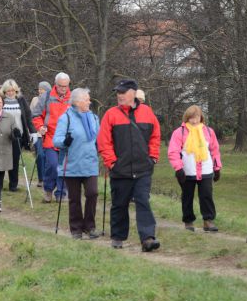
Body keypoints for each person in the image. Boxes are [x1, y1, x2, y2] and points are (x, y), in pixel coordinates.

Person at [97, 79, 161, 252]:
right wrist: (112, 163)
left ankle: (148, 238)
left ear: (133, 93)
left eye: (123, 92)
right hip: (120, 169)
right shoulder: (111, 114)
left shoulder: (147, 112)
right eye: (118, 92)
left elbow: (155, 136)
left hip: (143, 168)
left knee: (143, 201)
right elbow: (104, 141)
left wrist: (153, 157)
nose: (119, 95)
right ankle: (118, 237)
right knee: (119, 204)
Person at [53, 88, 100, 239]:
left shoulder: (93, 118)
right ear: (78, 102)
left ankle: (90, 226)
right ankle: (76, 229)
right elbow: (56, 140)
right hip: (71, 164)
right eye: (87, 99)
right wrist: (64, 141)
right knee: (74, 198)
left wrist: (103, 148)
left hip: (90, 163)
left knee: (92, 193)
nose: (89, 101)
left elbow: (98, 138)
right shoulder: (65, 118)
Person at [167, 105, 222, 232]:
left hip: (206, 170)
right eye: (191, 118)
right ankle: (188, 221)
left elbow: (215, 150)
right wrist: (178, 169)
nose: (194, 120)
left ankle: (208, 221)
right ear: (187, 118)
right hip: (187, 171)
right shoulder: (179, 132)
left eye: (196, 117)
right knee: (187, 197)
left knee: (206, 196)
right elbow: (173, 152)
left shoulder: (208, 131)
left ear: (200, 117)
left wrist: (217, 167)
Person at [32, 72, 72, 202]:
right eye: (61, 86)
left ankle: (61, 193)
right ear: (56, 84)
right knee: (53, 165)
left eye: (66, 86)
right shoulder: (47, 96)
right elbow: (36, 115)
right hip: (50, 137)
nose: (63, 89)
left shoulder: (73, 98)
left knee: (64, 167)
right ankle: (48, 190)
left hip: (67, 139)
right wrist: (40, 127)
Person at [0, 79, 36, 192]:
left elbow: (28, 117)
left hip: (18, 135)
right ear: (4, 91)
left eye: (12, 90)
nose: (10, 93)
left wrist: (33, 131)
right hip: (2, 135)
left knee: (14, 160)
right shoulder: (0, 100)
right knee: (2, 159)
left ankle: (13, 184)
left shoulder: (21, 100)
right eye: (8, 91)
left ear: (16, 90)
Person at [30, 81, 51, 188]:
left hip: (49, 134)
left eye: (42, 89)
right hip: (37, 133)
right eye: (39, 89)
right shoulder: (35, 100)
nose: (40, 91)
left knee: (49, 157)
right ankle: (41, 178)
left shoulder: (51, 100)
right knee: (40, 155)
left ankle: (49, 178)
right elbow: (31, 116)